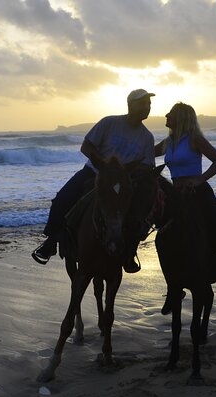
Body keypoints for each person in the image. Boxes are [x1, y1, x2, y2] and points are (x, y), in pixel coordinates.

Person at [32, 89, 157, 273]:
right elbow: (86, 146)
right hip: (93, 173)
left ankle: (129, 252)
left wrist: (126, 173)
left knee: (137, 214)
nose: (147, 108)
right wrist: (104, 165)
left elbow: (147, 167)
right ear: (130, 105)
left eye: (149, 104)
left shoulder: (147, 137)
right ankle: (51, 242)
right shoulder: (109, 123)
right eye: (142, 104)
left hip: (123, 183)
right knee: (62, 200)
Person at [155, 102, 216, 313]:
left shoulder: (194, 139)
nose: (166, 115)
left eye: (170, 113)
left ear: (180, 117)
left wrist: (200, 180)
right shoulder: (168, 142)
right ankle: (174, 289)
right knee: (161, 237)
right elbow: (145, 155)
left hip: (199, 194)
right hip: (176, 196)